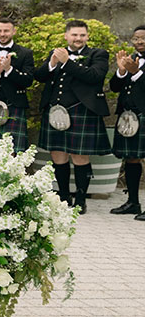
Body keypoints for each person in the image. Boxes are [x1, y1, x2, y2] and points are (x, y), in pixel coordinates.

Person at [35, 19, 111, 214]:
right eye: (74, 35)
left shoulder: (98, 54)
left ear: (87, 36)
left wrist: (67, 62)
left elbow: (94, 76)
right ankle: (63, 196)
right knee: (57, 154)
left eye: (82, 35)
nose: (78, 38)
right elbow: (40, 76)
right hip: (55, 112)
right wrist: (52, 63)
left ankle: (81, 199)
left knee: (79, 156)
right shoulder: (56, 53)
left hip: (81, 111)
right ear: (66, 36)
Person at [0, 18, 35, 151]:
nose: (2, 34)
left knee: (14, 151)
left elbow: (28, 81)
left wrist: (9, 70)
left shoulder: (25, 53)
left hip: (14, 105)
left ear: (14, 31)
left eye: (6, 31)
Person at [109, 25, 145, 218]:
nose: (139, 41)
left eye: (143, 38)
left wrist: (137, 72)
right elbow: (114, 87)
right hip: (129, 117)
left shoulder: (136, 64)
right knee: (131, 158)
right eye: (136, 38)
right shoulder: (130, 59)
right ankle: (133, 202)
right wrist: (122, 71)